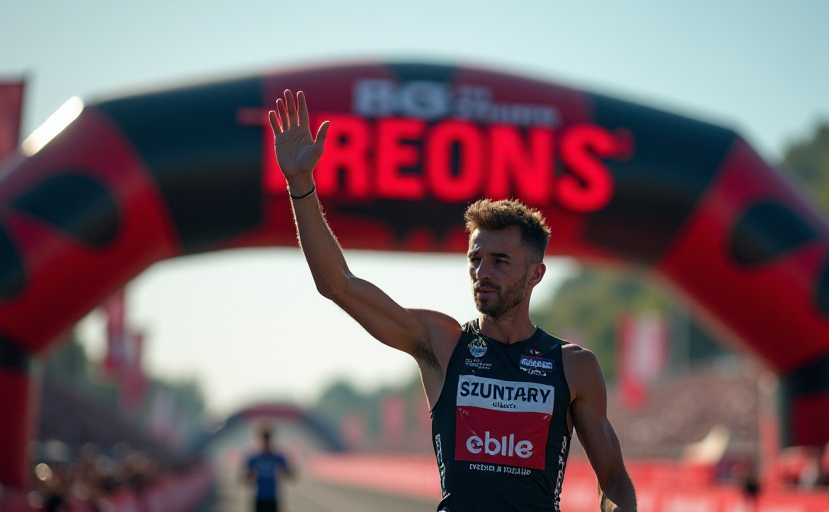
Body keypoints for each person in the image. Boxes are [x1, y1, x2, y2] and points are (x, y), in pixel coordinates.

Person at [268, 89, 637, 512]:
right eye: (475, 259)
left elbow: (613, 479)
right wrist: (301, 185)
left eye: (500, 261)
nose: (483, 272)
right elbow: (338, 284)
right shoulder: (442, 343)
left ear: (536, 274)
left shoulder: (574, 365)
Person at [245, 423, 292, 512]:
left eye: (268, 439)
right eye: (263, 439)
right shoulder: (254, 458)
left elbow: (291, 476)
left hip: (273, 497)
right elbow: (245, 480)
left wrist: (284, 471)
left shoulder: (277, 457)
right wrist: (250, 474)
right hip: (259, 497)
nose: (266, 442)